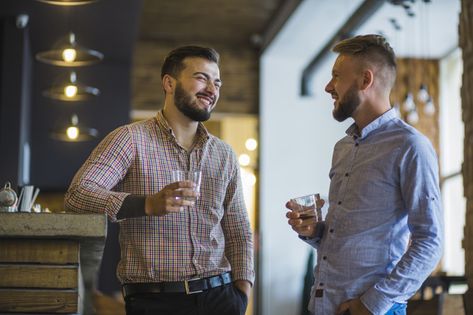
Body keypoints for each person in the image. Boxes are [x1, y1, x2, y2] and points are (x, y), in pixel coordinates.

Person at [65, 45, 254, 315]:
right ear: (169, 83)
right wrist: (147, 205)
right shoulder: (130, 139)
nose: (212, 89)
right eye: (201, 77)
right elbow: (77, 195)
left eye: (217, 82)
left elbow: (239, 231)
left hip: (221, 298)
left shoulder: (224, 154)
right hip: (155, 302)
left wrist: (242, 293)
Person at [286, 34, 443, 315]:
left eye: (336, 76)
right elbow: (347, 236)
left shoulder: (410, 146)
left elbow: (430, 241)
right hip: (322, 306)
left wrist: (372, 305)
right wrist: (314, 231)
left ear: (365, 80)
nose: (328, 87)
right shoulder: (342, 147)